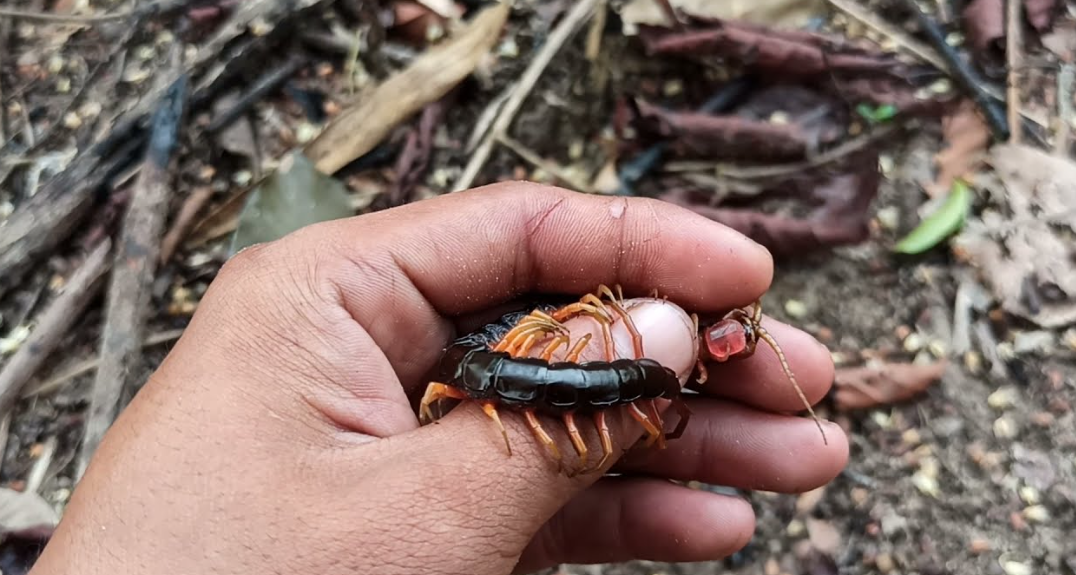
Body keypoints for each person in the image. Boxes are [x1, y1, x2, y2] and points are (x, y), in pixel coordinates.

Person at [29, 182, 847, 575]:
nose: (737, 335)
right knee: (544, 397)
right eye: (738, 334)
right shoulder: (510, 364)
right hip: (483, 376)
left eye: (742, 337)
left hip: (512, 370)